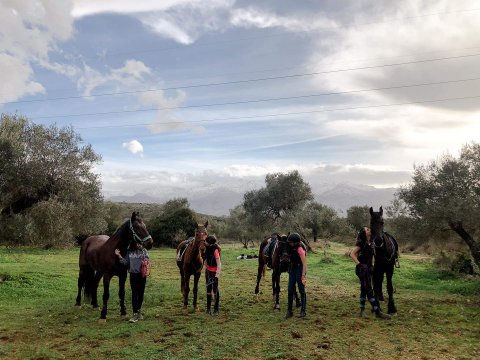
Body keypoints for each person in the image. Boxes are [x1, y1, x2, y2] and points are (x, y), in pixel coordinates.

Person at [350, 227, 391, 320]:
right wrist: (360, 265)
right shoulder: (361, 243)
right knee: (368, 289)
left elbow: (373, 255)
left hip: (368, 268)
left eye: (369, 229)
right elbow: (352, 254)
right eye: (367, 230)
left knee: (364, 289)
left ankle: (362, 310)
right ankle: (377, 311)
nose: (369, 230)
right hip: (362, 269)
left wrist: (372, 264)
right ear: (364, 233)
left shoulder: (371, 243)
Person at [115, 241, 150, 323]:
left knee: (141, 293)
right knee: (134, 294)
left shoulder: (143, 251)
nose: (138, 244)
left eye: (139, 243)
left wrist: (145, 260)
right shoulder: (129, 252)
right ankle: (135, 314)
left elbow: (147, 259)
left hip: (142, 275)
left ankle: (139, 311)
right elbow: (125, 263)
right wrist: (119, 255)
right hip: (133, 275)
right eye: (136, 243)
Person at [285, 233, 307, 319]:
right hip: (292, 269)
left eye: (291, 242)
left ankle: (303, 311)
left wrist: (303, 275)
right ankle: (289, 310)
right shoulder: (290, 247)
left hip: (300, 268)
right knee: (290, 289)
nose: (289, 243)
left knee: (301, 289)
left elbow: (304, 264)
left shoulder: (300, 249)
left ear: (295, 242)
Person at [203, 235, 221, 316]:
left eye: (206, 241)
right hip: (208, 272)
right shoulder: (207, 248)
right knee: (208, 289)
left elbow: (219, 263)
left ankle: (216, 310)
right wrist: (206, 268)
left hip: (214, 272)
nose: (204, 242)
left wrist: (217, 274)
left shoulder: (215, 250)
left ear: (209, 243)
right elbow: (205, 259)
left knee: (215, 290)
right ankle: (208, 309)